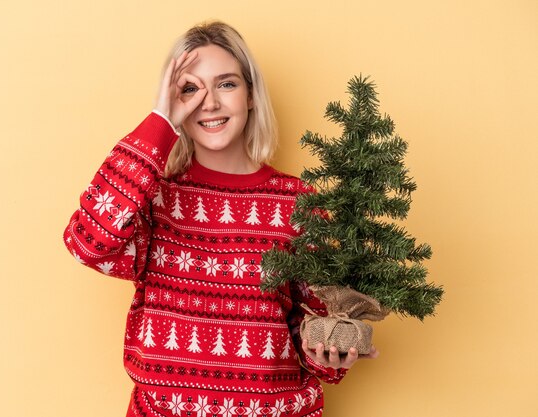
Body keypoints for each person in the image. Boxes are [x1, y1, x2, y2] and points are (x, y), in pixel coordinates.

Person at [63, 20, 377, 417]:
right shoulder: (154, 196)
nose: (209, 103)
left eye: (226, 84)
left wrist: (329, 356)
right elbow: (88, 242)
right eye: (190, 89)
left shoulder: (297, 201)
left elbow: (312, 325)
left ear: (250, 95)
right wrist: (160, 122)